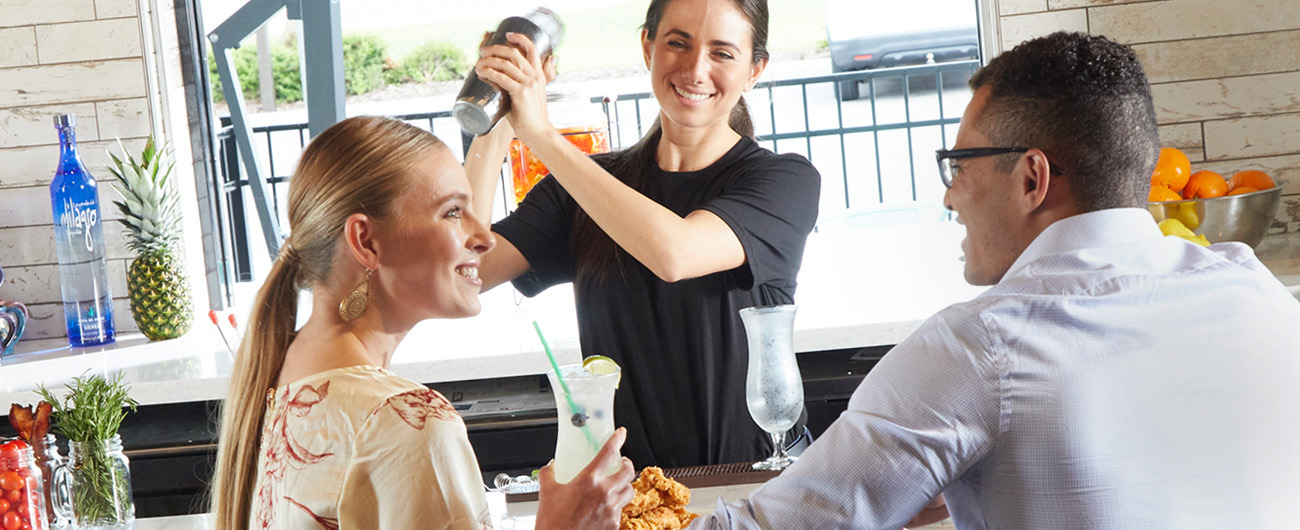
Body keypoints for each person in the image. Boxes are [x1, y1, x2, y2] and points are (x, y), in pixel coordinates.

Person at [689, 32, 1300, 529]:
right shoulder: (1256, 292)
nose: (950, 194)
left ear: (1032, 178)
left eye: (958, 164)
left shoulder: (980, 347)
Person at [208, 116, 635, 529]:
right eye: (452, 212)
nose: (484, 237)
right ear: (366, 241)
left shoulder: (282, 377)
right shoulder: (407, 422)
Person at [465, 0, 822, 469]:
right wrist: (498, 114)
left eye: (722, 53)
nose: (695, 70)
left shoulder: (784, 182)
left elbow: (675, 253)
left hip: (759, 487)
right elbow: (464, 270)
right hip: (632, 501)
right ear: (647, 46)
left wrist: (542, 136)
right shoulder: (584, 188)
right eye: (678, 43)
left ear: (755, 70)